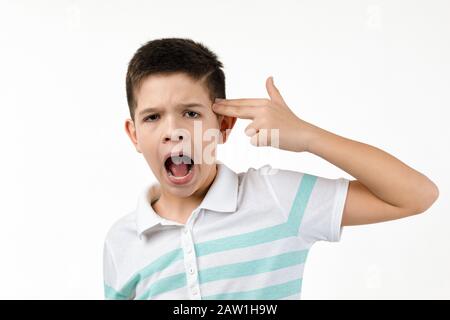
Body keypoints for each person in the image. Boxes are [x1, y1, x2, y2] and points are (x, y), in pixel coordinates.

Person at [103, 37, 439, 300]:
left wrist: (308, 136)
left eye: (191, 113)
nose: (172, 131)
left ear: (223, 126)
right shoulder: (122, 242)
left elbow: (415, 195)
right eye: (152, 117)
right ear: (134, 134)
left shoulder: (277, 198)